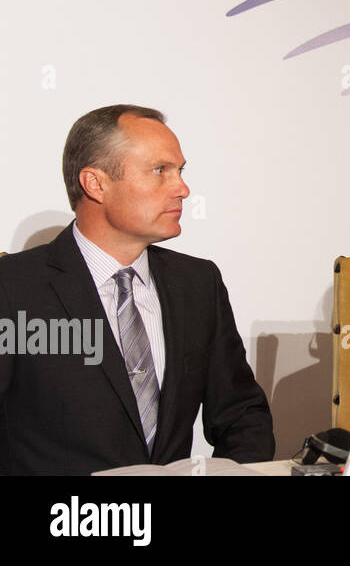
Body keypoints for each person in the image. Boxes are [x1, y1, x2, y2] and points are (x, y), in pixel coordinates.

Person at [0, 105, 273, 475]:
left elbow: (242, 415)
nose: (183, 188)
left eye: (180, 171)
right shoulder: (13, 288)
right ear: (95, 183)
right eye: (160, 171)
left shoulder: (197, 283)